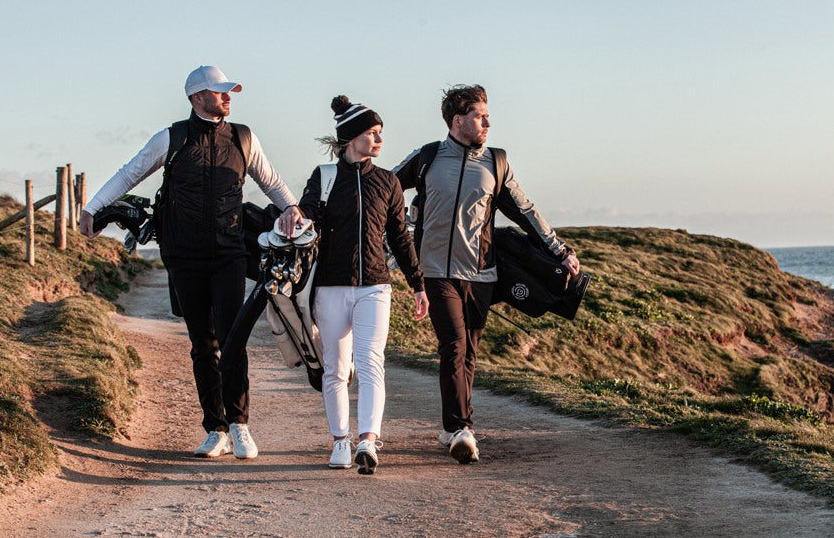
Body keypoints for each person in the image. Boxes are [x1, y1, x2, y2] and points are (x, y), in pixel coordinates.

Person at [80, 65, 302, 460]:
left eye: (228, 91)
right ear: (196, 97)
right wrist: (93, 207)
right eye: (219, 92)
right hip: (184, 256)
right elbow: (130, 174)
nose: (227, 97)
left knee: (232, 339)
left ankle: (240, 425)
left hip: (230, 253)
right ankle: (214, 428)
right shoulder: (172, 138)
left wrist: (293, 209)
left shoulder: (242, 137)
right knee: (203, 344)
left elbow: (271, 180)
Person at [393, 85, 581, 464]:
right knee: (454, 346)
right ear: (457, 119)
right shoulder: (428, 158)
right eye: (480, 116)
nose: (488, 122)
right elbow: (385, 188)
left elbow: (525, 211)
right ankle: (463, 428)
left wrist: (560, 250)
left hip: (481, 274)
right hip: (434, 272)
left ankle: (450, 427)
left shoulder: (496, 162)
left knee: (469, 354)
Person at [287, 96, 428, 475]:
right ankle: (339, 442)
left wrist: (417, 284)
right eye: (371, 133)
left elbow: (401, 237)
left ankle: (367, 440)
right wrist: (295, 213)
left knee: (370, 362)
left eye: (380, 133)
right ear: (351, 137)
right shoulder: (325, 177)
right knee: (335, 368)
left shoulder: (388, 182)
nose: (379, 140)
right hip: (330, 287)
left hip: (375, 287)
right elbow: (307, 215)